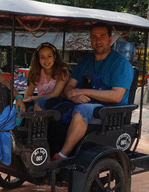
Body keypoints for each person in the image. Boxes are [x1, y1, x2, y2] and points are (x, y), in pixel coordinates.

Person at [53, 24, 134, 160]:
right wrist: (73, 97)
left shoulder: (120, 63)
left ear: (110, 39)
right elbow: (69, 87)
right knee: (49, 103)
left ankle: (62, 156)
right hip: (86, 103)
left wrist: (82, 91)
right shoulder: (86, 60)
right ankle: (44, 150)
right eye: (94, 37)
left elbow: (116, 96)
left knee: (82, 111)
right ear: (90, 39)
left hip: (111, 111)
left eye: (102, 37)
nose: (98, 41)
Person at [23, 42, 69, 111]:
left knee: (38, 105)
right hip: (40, 104)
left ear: (54, 57)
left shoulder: (62, 71)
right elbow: (27, 97)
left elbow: (55, 94)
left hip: (58, 104)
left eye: (49, 56)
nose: (46, 60)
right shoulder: (36, 72)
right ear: (38, 59)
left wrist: (33, 98)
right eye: (42, 57)